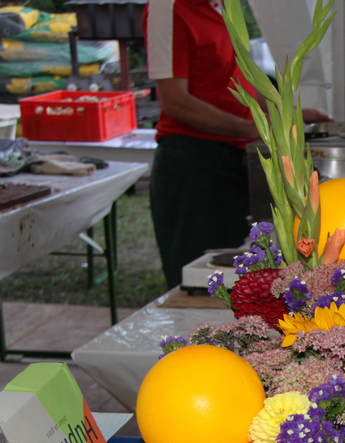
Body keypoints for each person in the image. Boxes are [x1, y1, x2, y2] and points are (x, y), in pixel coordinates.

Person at [143, 0, 333, 288]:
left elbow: (235, 81)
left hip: (234, 156)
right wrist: (252, 127)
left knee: (239, 272)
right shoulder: (167, 7)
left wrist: (289, 113)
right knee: (201, 278)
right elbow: (175, 101)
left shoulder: (222, 7)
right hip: (193, 164)